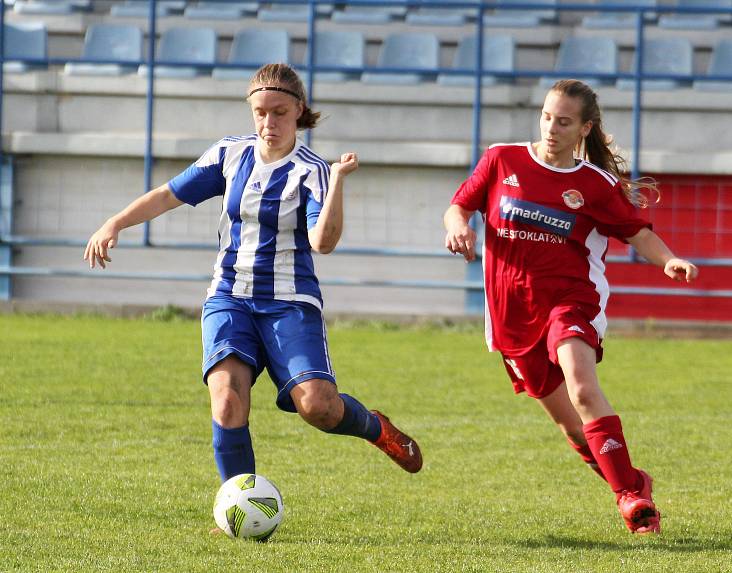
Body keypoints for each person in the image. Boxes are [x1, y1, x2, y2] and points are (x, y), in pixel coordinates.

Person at [84, 64, 423, 495]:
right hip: (229, 297)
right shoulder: (229, 154)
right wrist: (114, 223)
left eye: (279, 112)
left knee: (318, 407)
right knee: (226, 400)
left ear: (298, 110)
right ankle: (238, 505)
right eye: (260, 112)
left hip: (290, 303)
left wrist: (337, 183)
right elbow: (169, 194)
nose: (269, 123)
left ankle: (375, 427)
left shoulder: (313, 171)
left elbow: (323, 242)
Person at [443, 79, 698, 535]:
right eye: (546, 117)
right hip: (512, 316)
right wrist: (458, 226)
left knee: (583, 391)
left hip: (570, 303)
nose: (551, 128)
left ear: (584, 128)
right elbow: (458, 206)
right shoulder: (503, 159)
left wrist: (669, 259)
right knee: (574, 429)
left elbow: (638, 232)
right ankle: (634, 481)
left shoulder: (594, 185)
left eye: (564, 121)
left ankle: (633, 503)